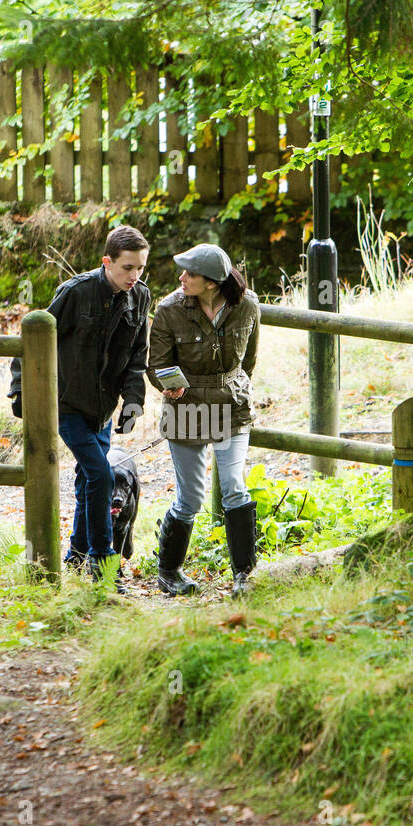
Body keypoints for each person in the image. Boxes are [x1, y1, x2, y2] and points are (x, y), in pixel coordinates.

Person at [8, 225, 151, 590]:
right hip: (66, 403)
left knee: (89, 480)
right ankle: (104, 566)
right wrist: (22, 390)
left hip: (102, 408)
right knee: (101, 475)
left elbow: (137, 357)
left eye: (140, 268)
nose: (134, 276)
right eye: (127, 268)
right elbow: (35, 337)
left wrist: (133, 401)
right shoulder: (75, 293)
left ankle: (74, 554)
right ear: (107, 262)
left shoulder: (140, 298)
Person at [147, 243, 260, 598]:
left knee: (234, 486)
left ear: (212, 282)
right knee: (190, 497)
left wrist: (234, 387)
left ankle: (244, 574)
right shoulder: (169, 310)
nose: (182, 278)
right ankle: (168, 571)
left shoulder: (247, 306)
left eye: (190, 274)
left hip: (231, 405)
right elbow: (156, 366)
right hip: (187, 405)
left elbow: (249, 360)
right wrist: (170, 386)